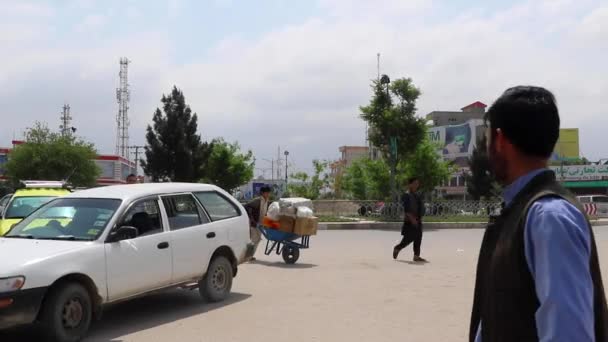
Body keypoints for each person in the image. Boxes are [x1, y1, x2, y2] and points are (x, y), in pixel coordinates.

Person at [469, 86, 608, 341]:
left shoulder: (549, 217)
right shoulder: (520, 209)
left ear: (499, 140)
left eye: (487, 139)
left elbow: (568, 332)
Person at [393, 177, 427, 262]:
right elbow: (407, 209)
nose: (416, 185)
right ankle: (397, 248)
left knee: (418, 237)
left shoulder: (416, 195)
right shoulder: (406, 195)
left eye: (417, 183)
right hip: (410, 220)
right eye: (415, 183)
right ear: (410, 184)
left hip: (417, 219)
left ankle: (416, 256)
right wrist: (412, 219)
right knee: (409, 238)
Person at [244, 186, 271, 261]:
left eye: (269, 193)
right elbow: (247, 206)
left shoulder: (267, 201)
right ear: (263, 193)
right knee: (253, 239)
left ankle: (249, 256)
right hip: (254, 223)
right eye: (267, 192)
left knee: (257, 239)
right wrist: (252, 219)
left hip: (261, 224)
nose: (268, 194)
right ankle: (248, 256)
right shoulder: (257, 200)